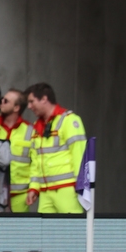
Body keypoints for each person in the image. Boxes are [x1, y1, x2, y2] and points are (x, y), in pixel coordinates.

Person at [25, 82, 88, 214]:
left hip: (67, 190)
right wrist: (34, 188)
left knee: (72, 231)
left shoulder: (69, 120)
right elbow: (36, 161)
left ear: (44, 99)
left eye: (31, 102)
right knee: (46, 234)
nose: (29, 106)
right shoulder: (37, 126)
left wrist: (82, 186)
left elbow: (80, 154)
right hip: (45, 192)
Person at [0, 88, 35, 212]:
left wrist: (33, 189)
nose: (1, 102)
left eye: (5, 101)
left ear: (16, 107)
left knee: (19, 231)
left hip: (20, 195)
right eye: (1, 99)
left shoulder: (30, 131)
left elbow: (36, 163)